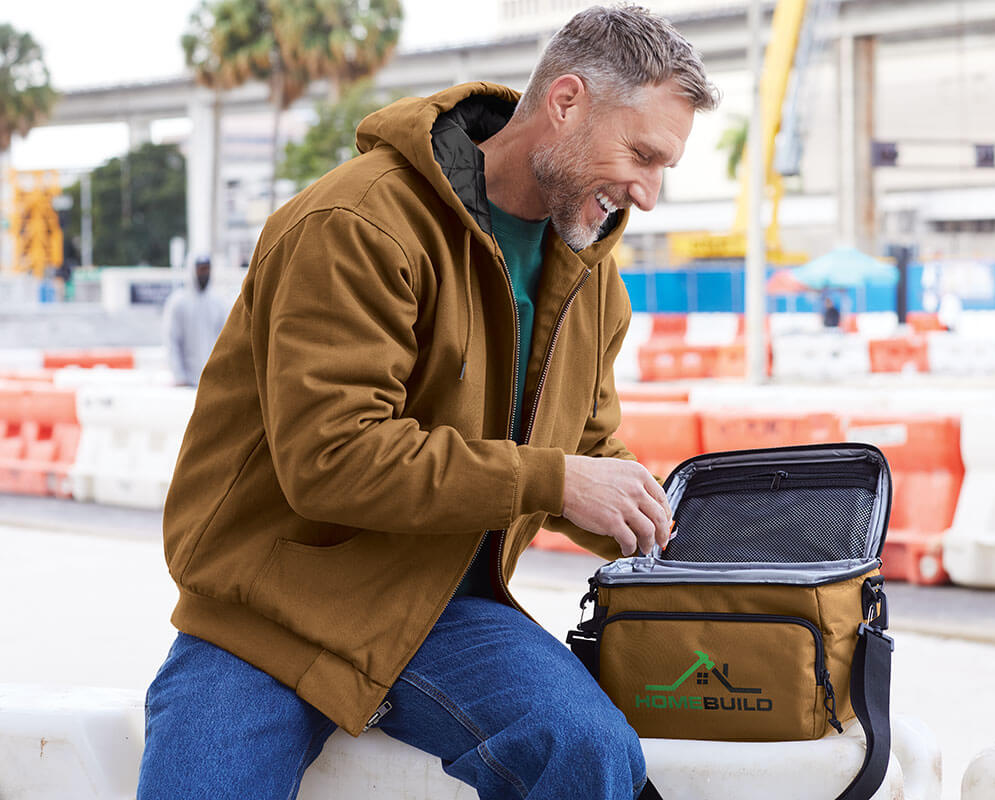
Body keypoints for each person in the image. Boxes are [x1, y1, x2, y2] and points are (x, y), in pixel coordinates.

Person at [136, 6, 719, 800]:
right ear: (567, 101)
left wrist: (668, 531)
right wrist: (555, 481)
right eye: (641, 155)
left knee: (590, 752)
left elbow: (585, 450)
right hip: (268, 607)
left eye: (665, 169)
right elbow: (333, 458)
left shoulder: (593, 279)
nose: (648, 195)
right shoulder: (355, 223)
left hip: (440, 609)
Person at [162, 256, 230, 386]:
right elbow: (172, 341)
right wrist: (179, 376)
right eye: (201, 269)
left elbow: (225, 341)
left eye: (207, 269)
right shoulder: (178, 302)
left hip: (213, 381)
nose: (204, 273)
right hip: (186, 381)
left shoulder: (219, 303)